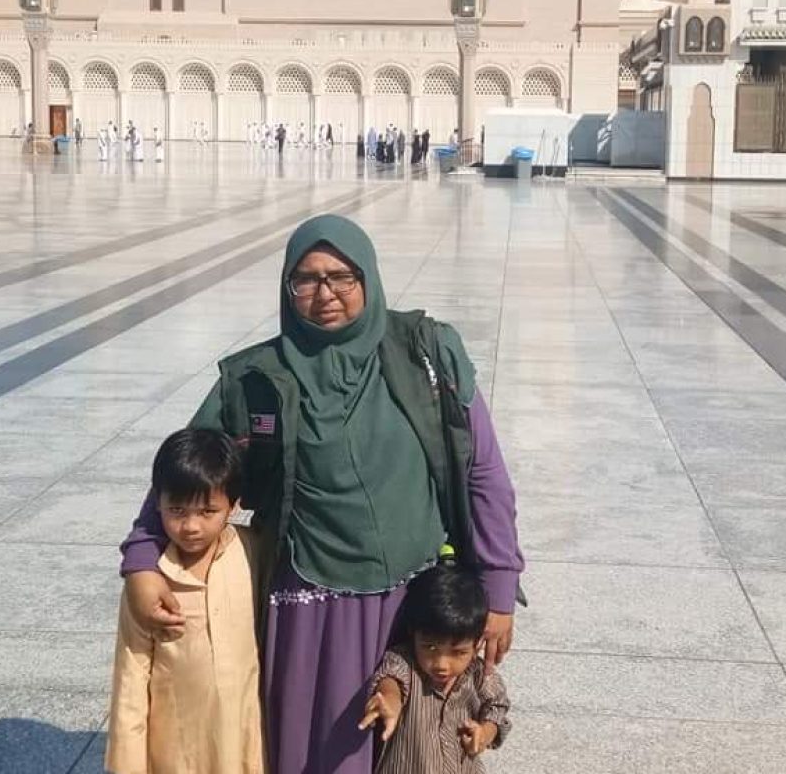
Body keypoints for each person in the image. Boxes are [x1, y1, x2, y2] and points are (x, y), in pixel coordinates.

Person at [120, 215, 523, 774]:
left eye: (341, 276)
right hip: (313, 605)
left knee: (421, 751)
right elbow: (189, 469)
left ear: (369, 277)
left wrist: (499, 589)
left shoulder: (426, 353)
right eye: (305, 280)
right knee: (324, 752)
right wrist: (142, 558)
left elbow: (484, 472)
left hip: (416, 602)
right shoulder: (256, 378)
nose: (324, 293)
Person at [106, 428, 265, 774]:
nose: (191, 526)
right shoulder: (151, 582)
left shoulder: (253, 553)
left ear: (233, 506)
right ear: (157, 502)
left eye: (208, 511)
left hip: (243, 741)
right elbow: (131, 677)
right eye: (176, 510)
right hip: (177, 750)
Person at [359, 561, 511, 773]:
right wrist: (390, 701)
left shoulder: (479, 673)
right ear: (413, 632)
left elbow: (497, 707)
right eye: (429, 647)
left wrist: (485, 733)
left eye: (458, 652)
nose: (441, 664)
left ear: (477, 645)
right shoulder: (404, 660)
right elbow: (391, 679)